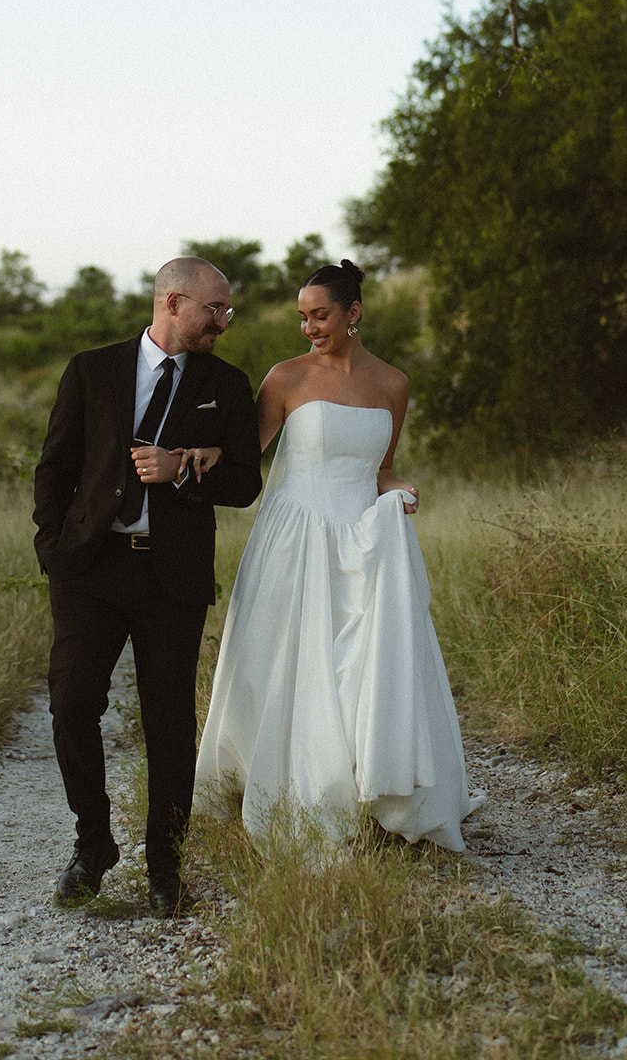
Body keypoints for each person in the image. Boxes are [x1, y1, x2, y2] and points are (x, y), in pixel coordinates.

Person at [194, 259, 475, 851]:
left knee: (361, 662)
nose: (309, 328)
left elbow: (383, 468)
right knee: (288, 659)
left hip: (363, 540)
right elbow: (244, 454)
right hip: (294, 535)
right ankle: (280, 783)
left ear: (354, 312)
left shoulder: (393, 384)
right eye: (302, 317)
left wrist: (397, 490)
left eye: (319, 315)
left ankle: (366, 787)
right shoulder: (287, 378)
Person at [33, 257, 262, 917]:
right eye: (212, 309)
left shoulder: (227, 384)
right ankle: (92, 843)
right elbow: (56, 465)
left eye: (226, 310)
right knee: (71, 704)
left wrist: (181, 472)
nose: (223, 321)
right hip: (91, 570)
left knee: (168, 725)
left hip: (172, 576)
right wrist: (54, 548)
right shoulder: (91, 368)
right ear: (172, 302)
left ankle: (166, 869)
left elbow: (244, 481)